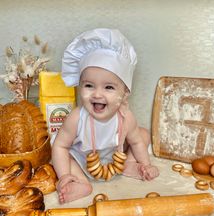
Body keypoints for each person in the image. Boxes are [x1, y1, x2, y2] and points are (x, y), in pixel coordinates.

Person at [52, 28, 159, 204]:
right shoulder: (77, 118)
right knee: (65, 155)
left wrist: (146, 163)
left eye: (108, 87)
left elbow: (137, 142)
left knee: (142, 134)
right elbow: (60, 146)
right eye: (89, 85)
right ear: (80, 87)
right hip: (84, 161)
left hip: (114, 159)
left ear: (125, 94)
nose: (97, 94)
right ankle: (80, 182)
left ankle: (130, 164)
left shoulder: (126, 117)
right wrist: (64, 175)